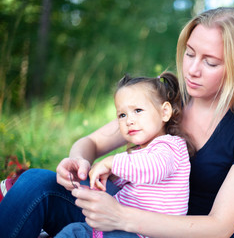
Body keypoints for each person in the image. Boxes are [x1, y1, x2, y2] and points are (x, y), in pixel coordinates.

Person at [0, 7, 234, 238]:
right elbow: (92, 143)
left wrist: (122, 217)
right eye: (190, 53)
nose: (192, 70)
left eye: (210, 62)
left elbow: (220, 227)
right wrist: (79, 163)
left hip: (174, 232)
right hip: (120, 214)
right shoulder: (169, 97)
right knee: (36, 182)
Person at [55, 72, 191, 238]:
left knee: (74, 233)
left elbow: (153, 167)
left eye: (138, 110)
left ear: (164, 112)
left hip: (145, 233)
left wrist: (111, 162)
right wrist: (108, 177)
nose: (129, 120)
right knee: (73, 232)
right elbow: (130, 178)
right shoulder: (141, 152)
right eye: (122, 115)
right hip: (123, 228)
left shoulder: (170, 146)